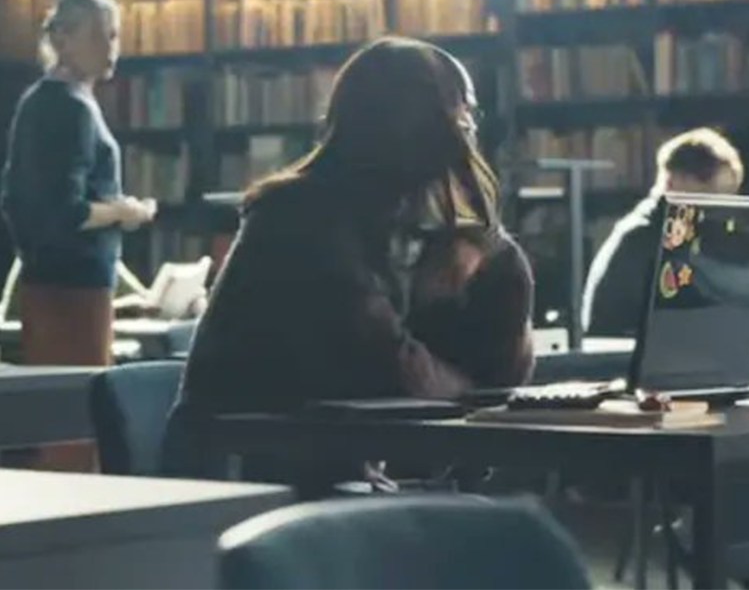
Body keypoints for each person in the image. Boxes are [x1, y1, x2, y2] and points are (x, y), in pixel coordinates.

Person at [163, 36, 535, 482]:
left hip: (320, 458)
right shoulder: (298, 216)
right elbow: (388, 365)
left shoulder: (390, 220)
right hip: (238, 469)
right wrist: (472, 393)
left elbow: (481, 372)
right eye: (461, 111)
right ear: (413, 124)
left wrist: (487, 256)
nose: (469, 128)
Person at [0, 0, 156, 471]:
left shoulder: (64, 102)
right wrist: (124, 212)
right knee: (76, 427)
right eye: (101, 36)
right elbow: (64, 212)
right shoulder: (60, 106)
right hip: (68, 292)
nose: (112, 48)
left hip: (77, 285)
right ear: (64, 40)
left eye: (116, 36)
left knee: (79, 425)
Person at [582, 127, 745, 337]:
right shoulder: (641, 239)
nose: (718, 216)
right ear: (672, 183)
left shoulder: (691, 235)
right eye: (707, 201)